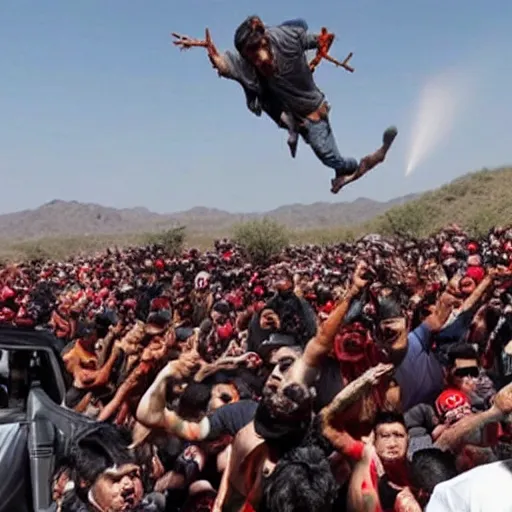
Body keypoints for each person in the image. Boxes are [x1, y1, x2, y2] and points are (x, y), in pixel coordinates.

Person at [172, 16, 398, 194]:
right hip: (290, 113)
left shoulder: (287, 39)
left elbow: (319, 39)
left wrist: (321, 49)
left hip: (312, 114)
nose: (259, 58)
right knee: (265, 96)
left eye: (260, 47)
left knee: (328, 156)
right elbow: (225, 65)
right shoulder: (246, 62)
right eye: (252, 55)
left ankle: (356, 165)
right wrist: (208, 50)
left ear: (266, 38)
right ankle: (299, 134)